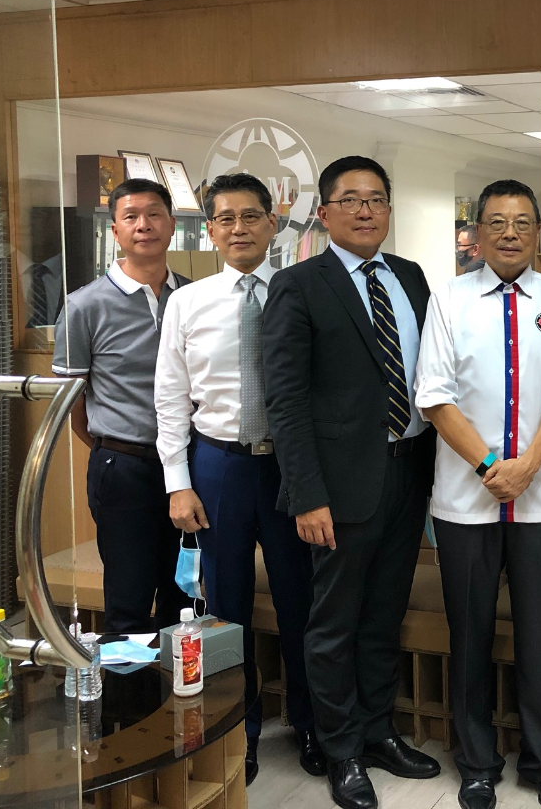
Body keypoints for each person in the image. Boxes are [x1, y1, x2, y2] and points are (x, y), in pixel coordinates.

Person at [263, 156, 440, 809]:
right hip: (336, 488)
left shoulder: (413, 277)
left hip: (408, 471)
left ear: (389, 210)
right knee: (334, 623)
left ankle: (377, 732)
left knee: (383, 614)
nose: (366, 210)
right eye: (351, 199)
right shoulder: (299, 285)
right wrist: (306, 494)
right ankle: (341, 752)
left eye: (377, 199)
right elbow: (285, 400)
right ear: (326, 211)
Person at [416, 179, 541, 809]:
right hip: (466, 502)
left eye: (522, 222)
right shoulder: (450, 298)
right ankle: (476, 760)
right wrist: (494, 466)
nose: (510, 233)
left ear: (540, 232)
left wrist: (527, 467)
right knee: (471, 632)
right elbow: (434, 395)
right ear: (478, 234)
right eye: (497, 222)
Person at [154, 173, 323, 786]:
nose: (239, 228)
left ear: (273, 222)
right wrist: (179, 482)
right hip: (218, 466)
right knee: (223, 609)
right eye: (224, 218)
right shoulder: (187, 303)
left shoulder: (300, 292)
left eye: (251, 216)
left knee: (302, 602)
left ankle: (310, 724)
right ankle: (236, 731)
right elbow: (170, 400)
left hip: (289, 467)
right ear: (211, 228)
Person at [52, 179, 189, 635]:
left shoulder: (193, 299)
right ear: (115, 231)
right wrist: (111, 448)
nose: (143, 225)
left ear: (171, 225)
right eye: (131, 216)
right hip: (124, 468)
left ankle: (183, 699)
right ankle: (127, 704)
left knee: (186, 596)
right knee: (128, 600)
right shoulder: (83, 306)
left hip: (190, 467)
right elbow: (72, 404)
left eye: (154, 214)